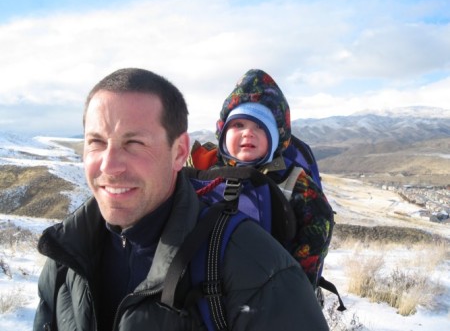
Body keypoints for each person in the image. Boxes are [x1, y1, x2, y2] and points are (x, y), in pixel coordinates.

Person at [33, 68, 329, 331]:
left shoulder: (267, 275)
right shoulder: (65, 258)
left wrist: (298, 287)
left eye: (135, 142)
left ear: (177, 153)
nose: (110, 165)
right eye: (96, 142)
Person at [189, 68, 334, 290]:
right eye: (239, 125)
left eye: (259, 126)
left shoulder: (295, 184)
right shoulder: (200, 169)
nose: (248, 132)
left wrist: (295, 291)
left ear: (277, 140)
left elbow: (318, 229)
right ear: (223, 132)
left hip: (266, 298)